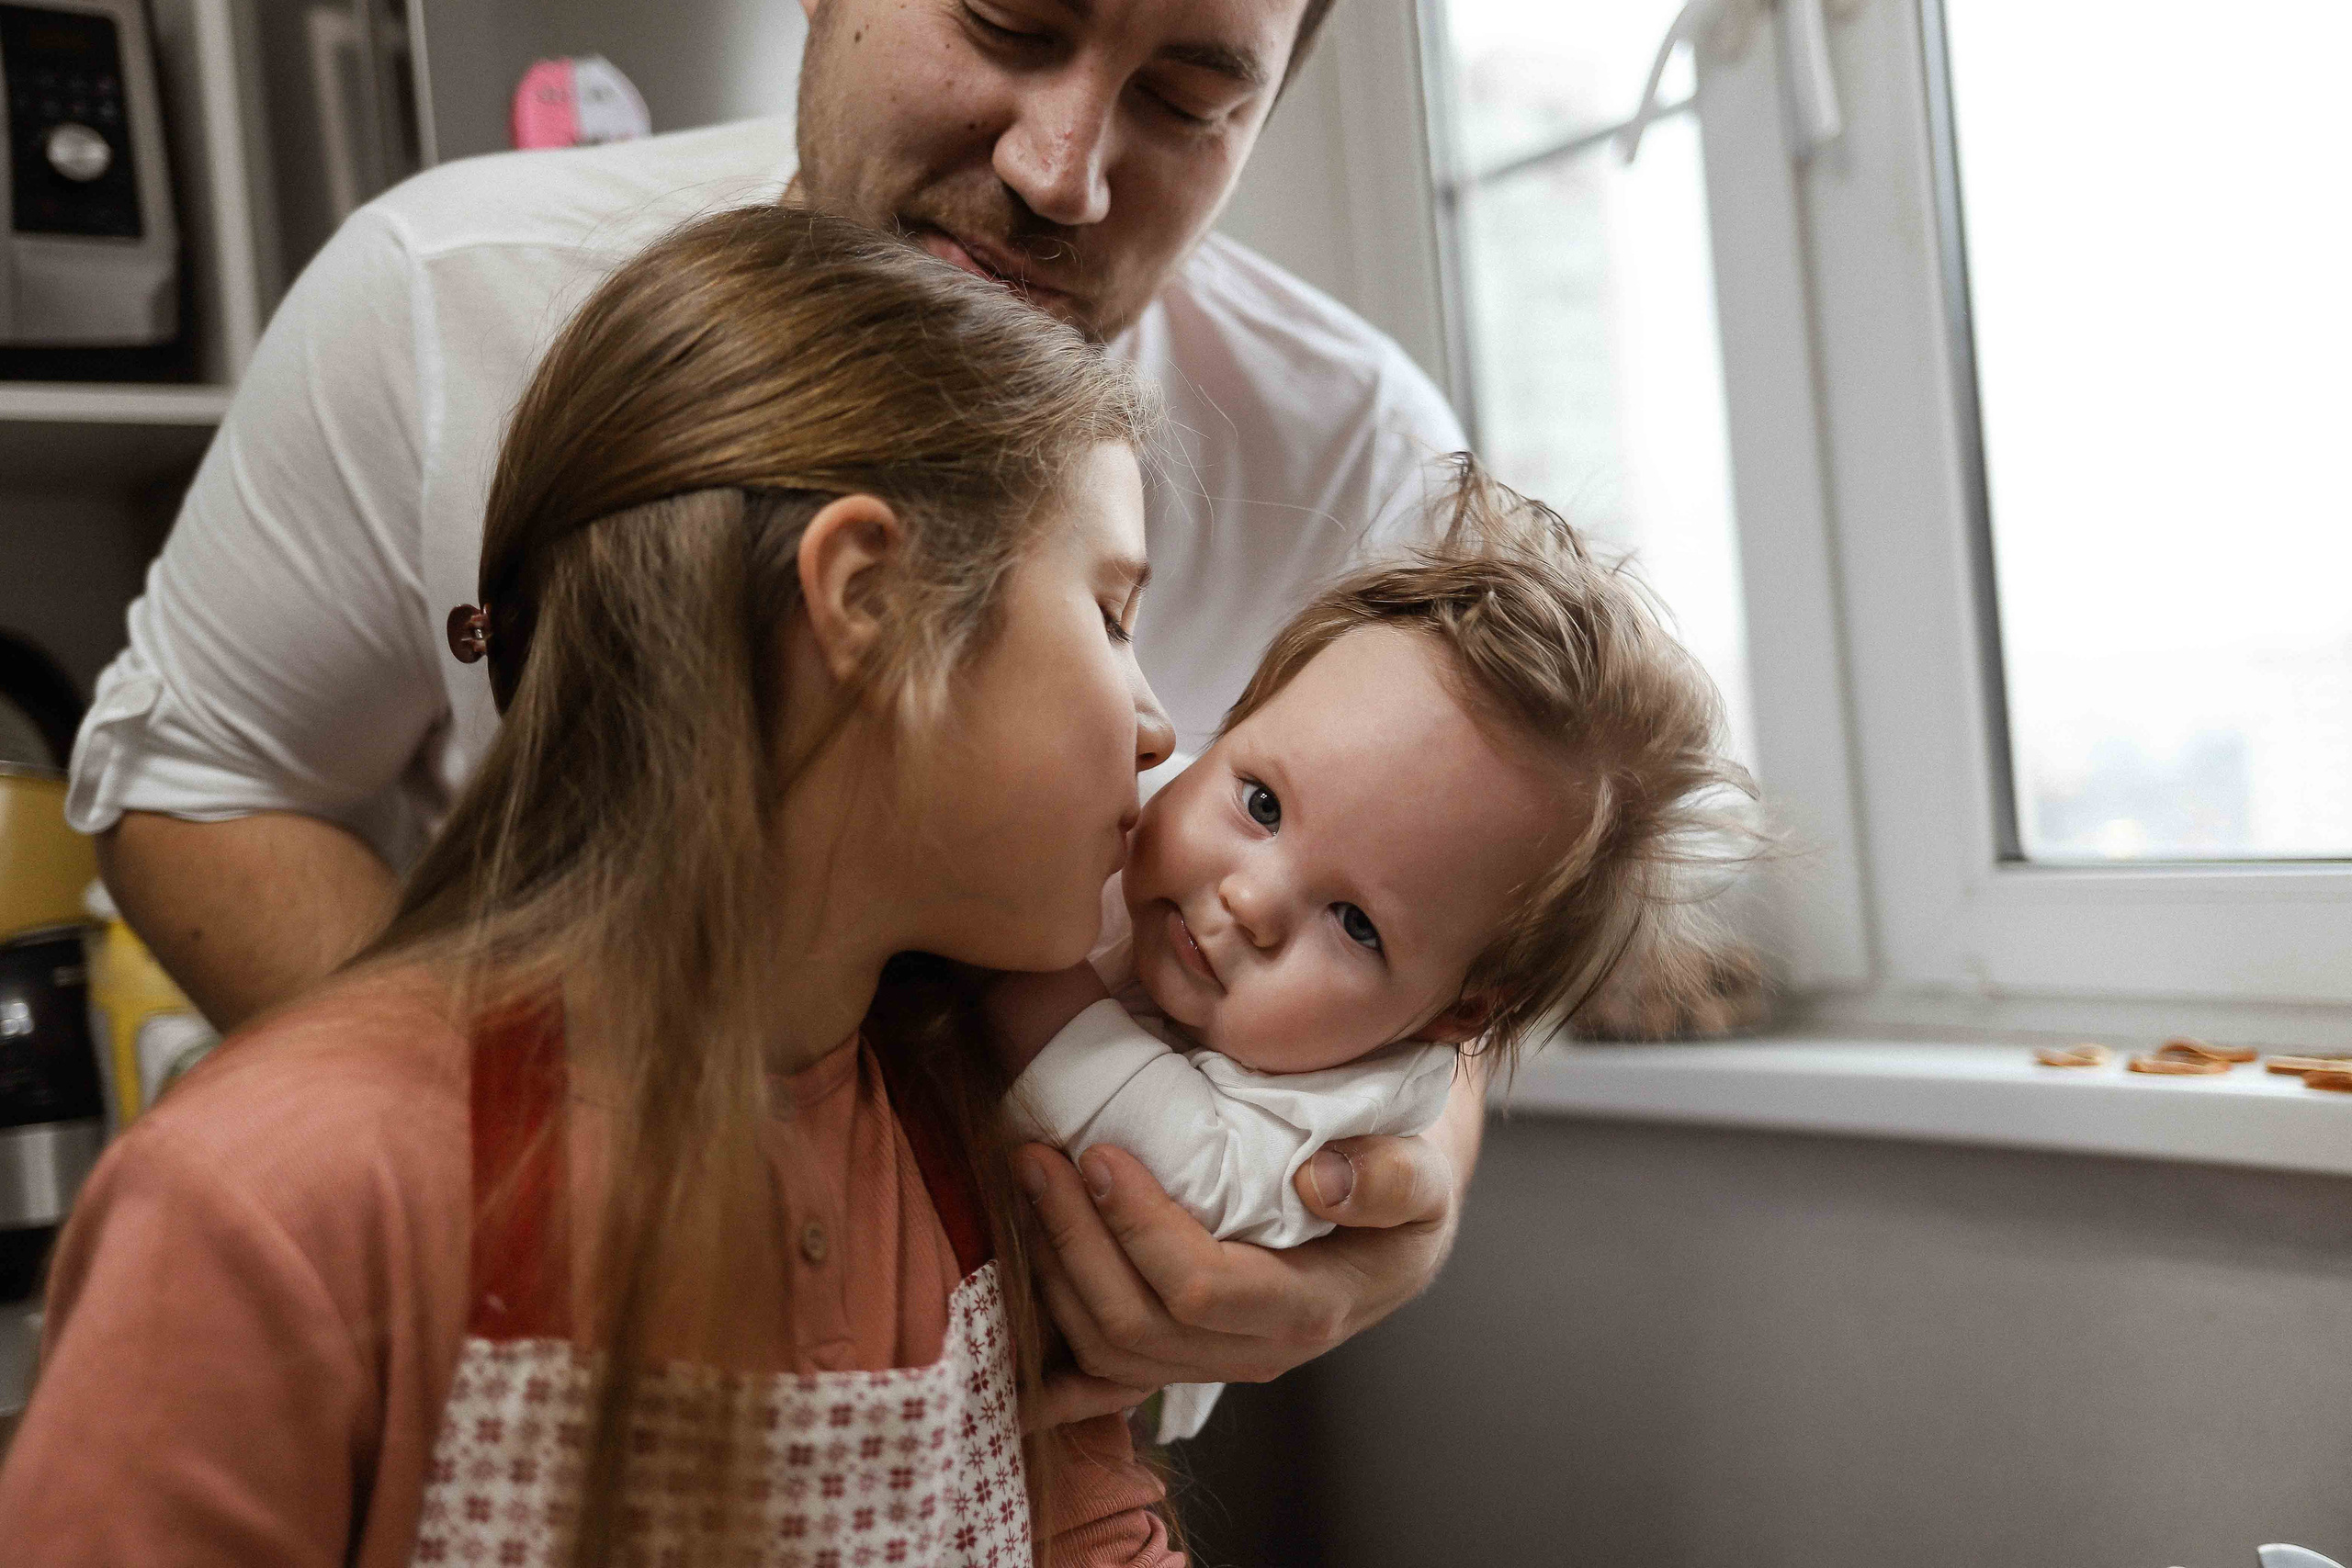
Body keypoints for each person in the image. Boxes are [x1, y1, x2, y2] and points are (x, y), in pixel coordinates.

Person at [67, 0, 1478, 1416]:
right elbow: (195, 770)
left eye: (1185, 102)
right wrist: (535, 1173)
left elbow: (1466, 936)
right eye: (1009, 21)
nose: (1063, 170)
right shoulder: (449, 294)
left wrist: (1383, 1218)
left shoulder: (1365, 460)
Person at [2, 208, 1194, 1566]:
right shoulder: (269, 1201)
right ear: (869, 602)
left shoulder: (981, 1130)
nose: (1157, 725)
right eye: (1108, 612)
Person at [991, 460, 1756, 1441]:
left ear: (1454, 1014)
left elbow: (1213, 1183)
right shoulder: (1124, 800)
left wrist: (1026, 992)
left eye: (1355, 923)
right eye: (1260, 802)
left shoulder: (1371, 1093)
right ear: (1231, 721)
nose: (1251, 898)